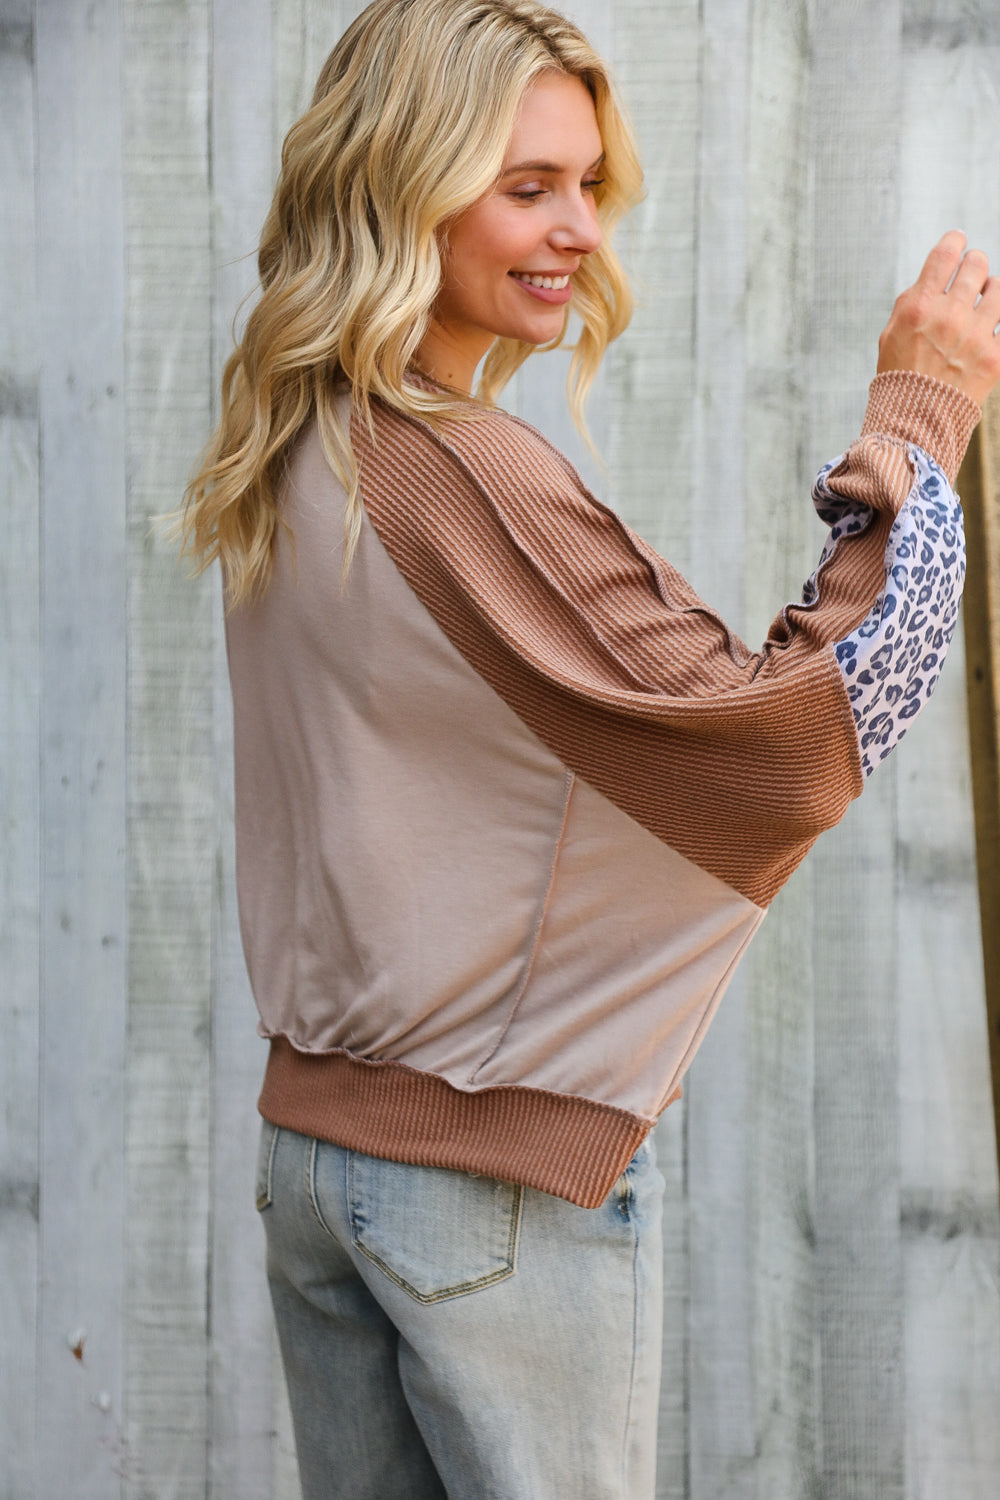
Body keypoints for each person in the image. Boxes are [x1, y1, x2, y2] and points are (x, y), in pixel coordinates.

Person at [180, 2, 1000, 1495]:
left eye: (587, 184)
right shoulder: (459, 469)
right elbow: (791, 741)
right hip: (479, 1193)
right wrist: (920, 420)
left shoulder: (301, 435)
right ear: (404, 187)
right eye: (527, 186)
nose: (579, 231)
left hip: (318, 1161)